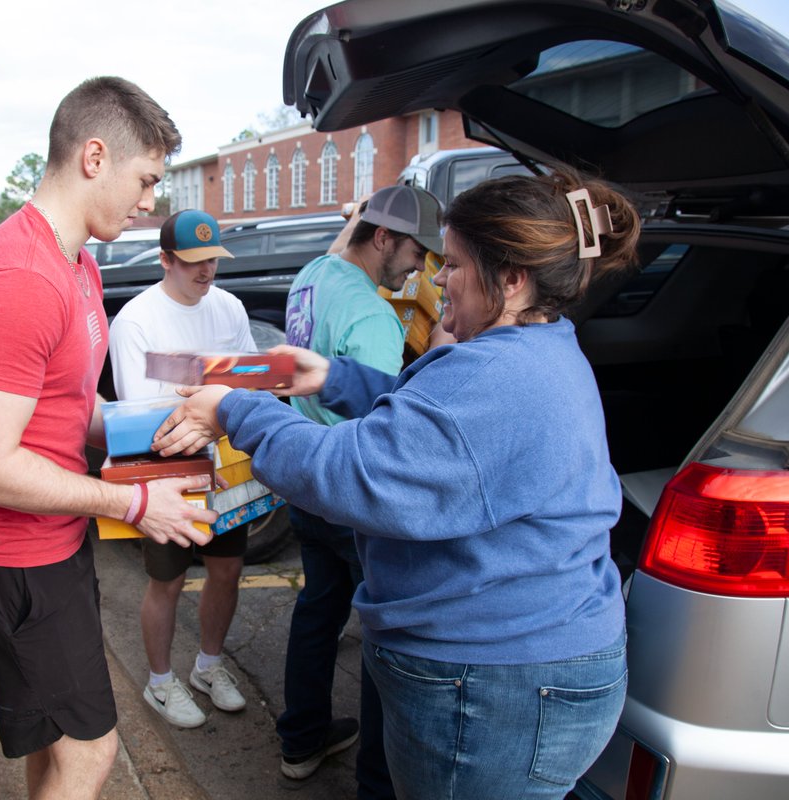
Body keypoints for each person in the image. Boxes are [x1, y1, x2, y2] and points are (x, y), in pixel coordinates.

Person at [154, 168, 639, 799]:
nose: (437, 280)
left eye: (454, 265)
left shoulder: (492, 376)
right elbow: (435, 426)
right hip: (525, 661)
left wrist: (234, 409)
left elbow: (352, 472)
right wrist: (332, 377)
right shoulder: (537, 350)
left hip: (496, 680)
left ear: (513, 279)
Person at [0, 76, 215, 800]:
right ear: (95, 157)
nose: (150, 200)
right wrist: (134, 503)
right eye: (146, 179)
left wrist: (149, 432)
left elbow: (67, 401)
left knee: (55, 744)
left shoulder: (77, 260)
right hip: (9, 557)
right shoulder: (20, 280)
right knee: (90, 753)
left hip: (49, 541)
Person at [277, 185, 441, 796]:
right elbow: (385, 431)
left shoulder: (313, 274)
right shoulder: (374, 317)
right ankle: (376, 779)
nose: (420, 270)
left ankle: (301, 739)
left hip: (305, 476)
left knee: (318, 611)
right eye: (417, 252)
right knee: (381, 637)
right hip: (351, 493)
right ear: (384, 238)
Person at [109, 209, 254, 729]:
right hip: (167, 470)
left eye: (212, 258)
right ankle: (160, 681)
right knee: (166, 581)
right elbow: (139, 412)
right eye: (193, 261)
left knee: (227, 570)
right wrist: (213, 401)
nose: (206, 270)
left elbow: (248, 380)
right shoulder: (135, 320)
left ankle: (208, 667)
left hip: (226, 463)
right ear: (165, 260)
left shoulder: (230, 307)